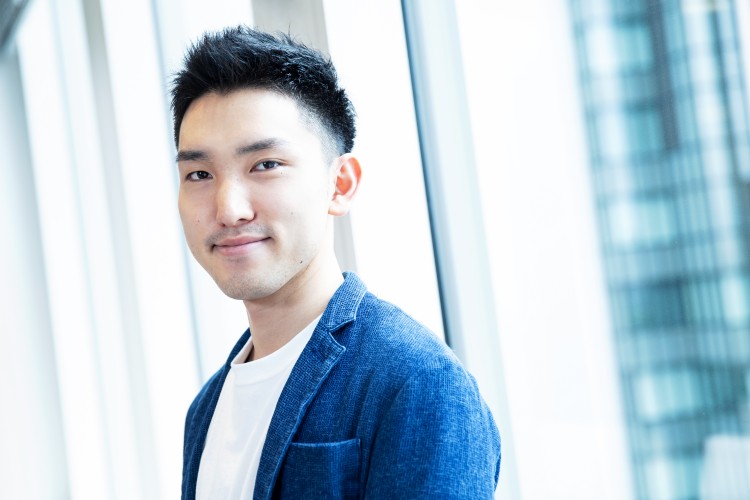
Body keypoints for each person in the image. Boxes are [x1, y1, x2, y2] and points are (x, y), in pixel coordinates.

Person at [172, 25, 501, 499]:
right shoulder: (205, 409)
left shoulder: (414, 381)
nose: (229, 209)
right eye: (199, 174)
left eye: (265, 165)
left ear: (340, 184)